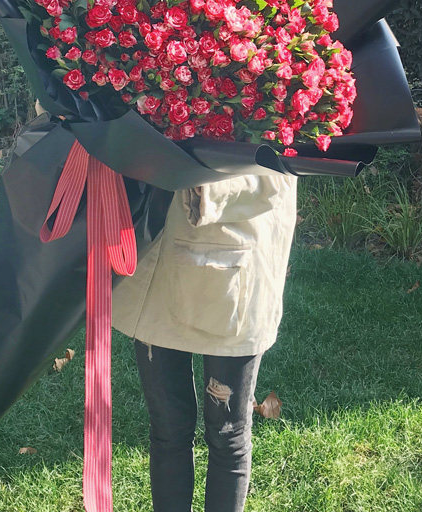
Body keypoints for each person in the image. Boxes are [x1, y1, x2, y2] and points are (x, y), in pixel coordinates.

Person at [112, 173, 299, 512]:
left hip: (235, 267)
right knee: (168, 428)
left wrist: (199, 184)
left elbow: (278, 176)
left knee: (228, 435)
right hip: (156, 261)